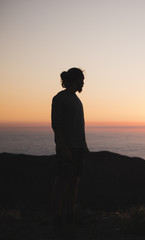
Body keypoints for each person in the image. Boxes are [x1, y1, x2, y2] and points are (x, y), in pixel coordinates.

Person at [51, 67, 89, 227]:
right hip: (68, 148)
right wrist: (64, 148)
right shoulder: (60, 98)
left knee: (74, 182)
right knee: (62, 182)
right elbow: (56, 126)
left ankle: (70, 216)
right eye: (82, 80)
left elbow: (78, 125)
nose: (83, 83)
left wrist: (84, 145)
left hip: (78, 148)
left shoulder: (75, 99)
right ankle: (58, 217)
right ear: (75, 79)